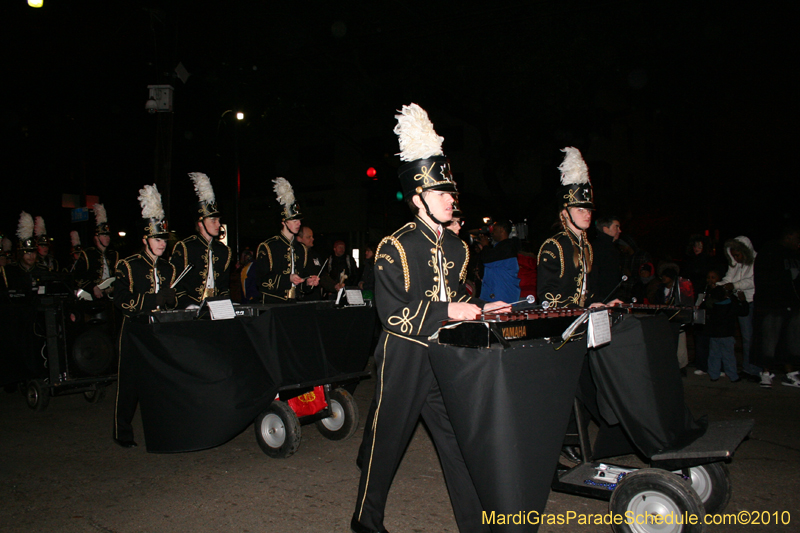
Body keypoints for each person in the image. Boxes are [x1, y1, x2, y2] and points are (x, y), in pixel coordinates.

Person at [352, 103, 506, 533]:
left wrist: (479, 306)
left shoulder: (458, 248)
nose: (451, 200)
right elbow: (394, 316)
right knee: (387, 444)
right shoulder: (395, 247)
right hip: (403, 357)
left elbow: (454, 293)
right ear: (418, 198)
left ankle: (475, 524)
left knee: (456, 442)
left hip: (443, 356)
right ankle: (366, 521)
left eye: (451, 194)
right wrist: (448, 309)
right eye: (442, 194)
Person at [112, 184, 176, 448]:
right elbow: (122, 301)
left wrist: (172, 302)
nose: (162, 243)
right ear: (145, 240)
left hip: (159, 332)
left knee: (162, 382)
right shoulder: (127, 265)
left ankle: (163, 432)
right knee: (129, 385)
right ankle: (122, 432)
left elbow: (171, 305)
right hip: (134, 332)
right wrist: (152, 300)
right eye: (157, 239)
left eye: (164, 240)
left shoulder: (169, 268)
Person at [537, 147, 622, 309]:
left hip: (582, 320)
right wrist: (582, 309)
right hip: (562, 326)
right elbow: (548, 299)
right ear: (565, 213)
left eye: (589, 210)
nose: (587, 214)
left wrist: (604, 303)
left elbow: (585, 293)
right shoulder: (554, 246)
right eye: (580, 210)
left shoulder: (586, 246)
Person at [251, 178, 319, 303]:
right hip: (274, 306)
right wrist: (288, 278)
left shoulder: (301, 249)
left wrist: (308, 283)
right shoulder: (268, 247)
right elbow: (261, 283)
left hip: (295, 304)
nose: (299, 223)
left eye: (299, 220)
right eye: (294, 221)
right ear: (284, 222)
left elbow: (302, 285)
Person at [170, 173, 232, 307]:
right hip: (190, 310)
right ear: (200, 223)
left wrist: (226, 305)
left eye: (219, 220)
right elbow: (175, 284)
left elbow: (223, 286)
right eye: (213, 220)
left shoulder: (224, 251)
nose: (218, 225)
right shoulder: (185, 247)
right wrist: (187, 305)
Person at [753, 226, 800, 388]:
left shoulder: (795, 254)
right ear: (788, 236)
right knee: (769, 338)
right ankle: (766, 373)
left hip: (792, 304)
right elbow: (764, 278)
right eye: (796, 238)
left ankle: (790, 373)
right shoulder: (770, 251)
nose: (798, 242)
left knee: (791, 339)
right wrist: (786, 276)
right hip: (771, 304)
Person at [718, 236, 760, 381]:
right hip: (741, 303)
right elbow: (729, 278)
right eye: (733, 255)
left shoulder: (757, 261)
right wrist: (718, 285)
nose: (735, 258)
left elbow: (753, 280)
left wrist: (735, 286)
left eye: (738, 254)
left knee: (753, 337)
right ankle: (748, 369)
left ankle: (755, 370)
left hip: (754, 301)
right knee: (746, 337)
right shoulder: (735, 264)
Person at [701, 268, 748, 382]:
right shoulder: (731, 305)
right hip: (727, 335)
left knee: (714, 355)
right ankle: (733, 376)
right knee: (729, 356)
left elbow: (703, 307)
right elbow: (744, 312)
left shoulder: (712, 306)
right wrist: (743, 301)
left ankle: (713, 375)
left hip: (714, 334)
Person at [73, 204, 119, 300]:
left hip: (110, 295)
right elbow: (77, 276)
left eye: (108, 236)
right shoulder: (88, 254)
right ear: (96, 238)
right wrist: (93, 287)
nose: (108, 238)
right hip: (91, 296)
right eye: (104, 235)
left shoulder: (114, 254)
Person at [477, 219, 520, 303]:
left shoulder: (507, 246)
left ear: (502, 230)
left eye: (495, 230)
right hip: (496, 294)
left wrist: (485, 246)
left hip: (502, 295)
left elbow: (487, 260)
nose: (492, 233)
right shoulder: (499, 247)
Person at [591, 216, 624, 302]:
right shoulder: (603, 249)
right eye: (616, 227)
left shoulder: (610, 248)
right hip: (602, 299)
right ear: (605, 229)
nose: (619, 231)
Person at [296, 224, 332, 300]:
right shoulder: (295, 256)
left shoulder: (315, 255)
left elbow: (323, 275)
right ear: (299, 239)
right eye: (309, 237)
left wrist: (334, 286)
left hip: (315, 297)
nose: (312, 239)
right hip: (300, 299)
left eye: (312, 236)